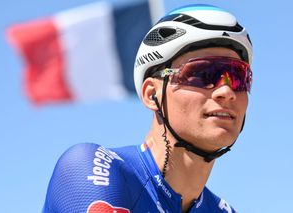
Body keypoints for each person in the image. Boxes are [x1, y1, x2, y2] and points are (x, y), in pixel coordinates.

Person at [42, 4, 253, 213]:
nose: (226, 91)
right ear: (152, 94)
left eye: (238, 77)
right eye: (203, 74)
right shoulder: (88, 167)